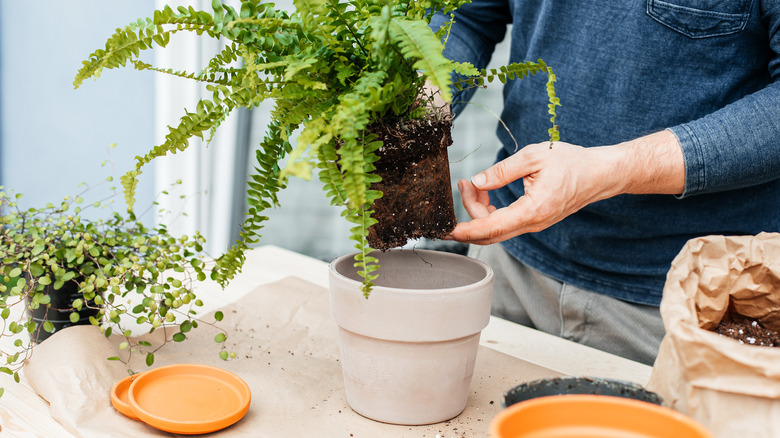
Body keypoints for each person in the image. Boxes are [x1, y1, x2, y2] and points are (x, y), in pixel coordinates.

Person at [430, 1, 780, 365]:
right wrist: (422, 102)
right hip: (507, 268)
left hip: (684, 305)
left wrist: (611, 170)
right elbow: (468, 14)